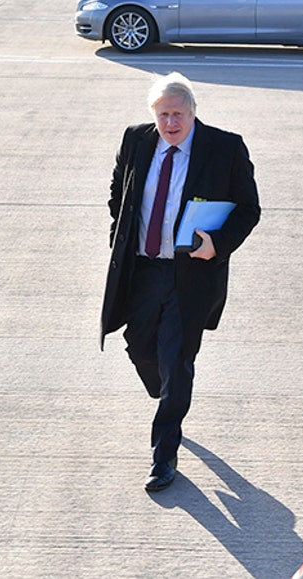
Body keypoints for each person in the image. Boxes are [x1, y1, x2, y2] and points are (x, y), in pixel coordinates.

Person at [100, 72, 261, 491]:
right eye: (163, 114)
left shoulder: (224, 148)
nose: (171, 123)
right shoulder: (136, 140)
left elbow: (248, 209)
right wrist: (118, 235)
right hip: (144, 268)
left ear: (193, 112)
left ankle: (164, 453)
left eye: (178, 114)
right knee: (140, 348)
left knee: (176, 359)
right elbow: (120, 192)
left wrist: (218, 245)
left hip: (192, 272)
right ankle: (168, 392)